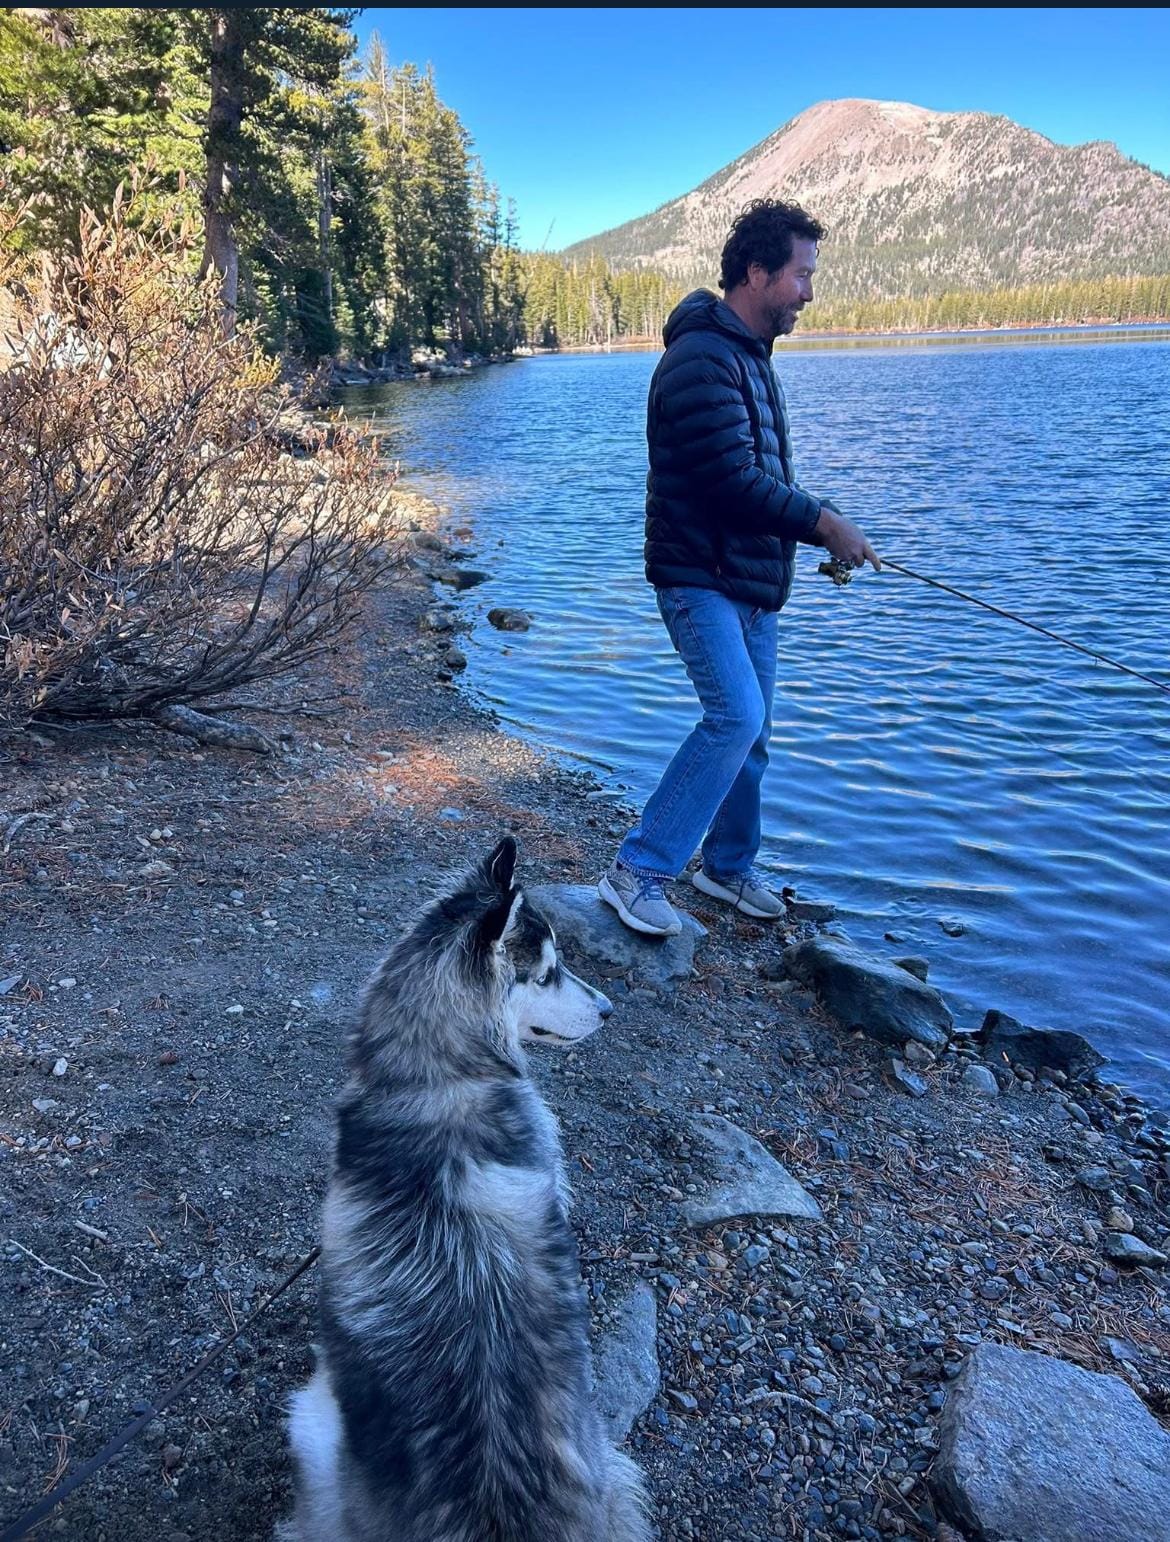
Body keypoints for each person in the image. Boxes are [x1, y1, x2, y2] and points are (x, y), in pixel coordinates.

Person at [598, 198, 880, 938]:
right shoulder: (700, 358)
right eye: (801, 275)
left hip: (751, 581)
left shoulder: (749, 357)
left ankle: (725, 869)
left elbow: (757, 476)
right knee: (735, 716)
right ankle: (638, 870)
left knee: (753, 735)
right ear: (756, 272)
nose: (810, 293)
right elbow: (730, 481)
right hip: (699, 578)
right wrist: (823, 522)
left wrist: (816, 524)